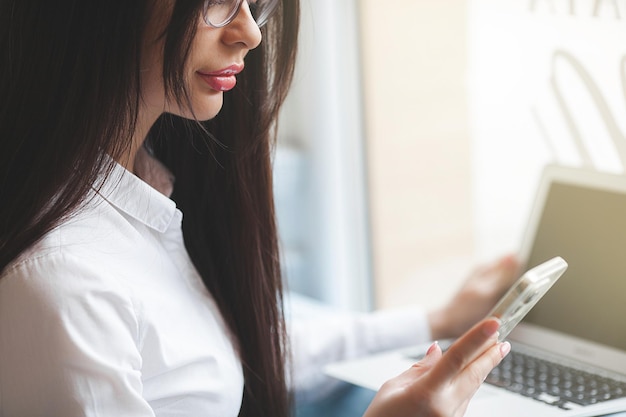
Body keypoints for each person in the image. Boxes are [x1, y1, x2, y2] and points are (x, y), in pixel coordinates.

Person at [0, 1, 516, 416]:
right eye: (217, 2)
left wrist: (438, 320)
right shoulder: (62, 282)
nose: (250, 32)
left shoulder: (142, 190)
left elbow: (237, 345)